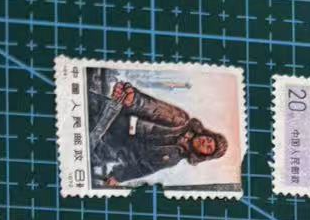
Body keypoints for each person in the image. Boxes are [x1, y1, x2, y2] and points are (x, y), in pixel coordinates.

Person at [92, 79, 229, 187]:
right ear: (206, 134)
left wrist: (118, 177)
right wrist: (133, 100)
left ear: (204, 155)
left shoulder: (173, 158)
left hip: (107, 148)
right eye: (209, 139)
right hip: (114, 118)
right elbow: (154, 109)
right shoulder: (181, 120)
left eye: (208, 148)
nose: (205, 143)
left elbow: (143, 167)